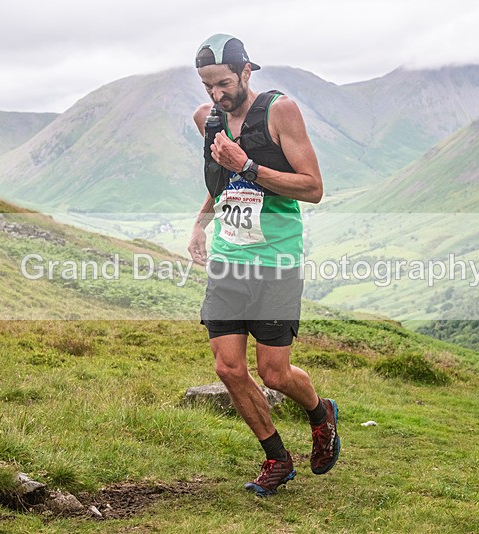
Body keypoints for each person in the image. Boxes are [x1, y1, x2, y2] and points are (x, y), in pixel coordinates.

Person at [188, 34, 339, 496]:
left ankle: (320, 413)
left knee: (274, 373)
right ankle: (276, 457)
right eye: (208, 86)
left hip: (276, 262)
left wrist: (249, 165)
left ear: (247, 71)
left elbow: (312, 187)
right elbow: (223, 183)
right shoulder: (207, 120)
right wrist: (199, 225)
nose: (217, 95)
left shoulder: (279, 111)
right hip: (229, 261)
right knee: (228, 368)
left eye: (224, 84)